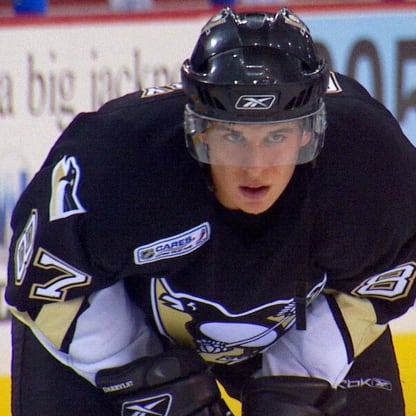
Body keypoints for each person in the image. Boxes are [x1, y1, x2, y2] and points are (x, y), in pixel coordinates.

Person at [6, 7, 416, 416]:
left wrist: (298, 374)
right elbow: (44, 284)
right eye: (233, 135)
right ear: (199, 128)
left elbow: (378, 284)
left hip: (298, 329)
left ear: (309, 132)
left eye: (276, 136)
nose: (254, 166)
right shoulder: (119, 160)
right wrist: (145, 375)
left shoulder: (371, 165)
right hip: (128, 330)